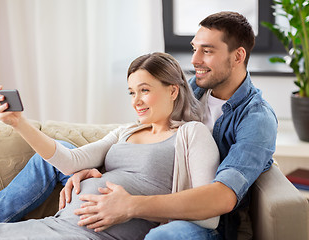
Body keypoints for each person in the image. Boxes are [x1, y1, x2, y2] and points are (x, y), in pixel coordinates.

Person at [0, 52, 220, 239]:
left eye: (145, 90)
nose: (136, 101)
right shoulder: (125, 131)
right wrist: (19, 123)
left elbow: (208, 212)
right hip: (56, 224)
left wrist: (132, 205)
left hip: (87, 234)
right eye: (131, 92)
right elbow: (69, 161)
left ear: (172, 90)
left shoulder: (191, 134)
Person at [67, 11, 278, 240]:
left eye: (206, 51)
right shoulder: (191, 89)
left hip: (204, 223)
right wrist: (100, 168)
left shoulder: (257, 119)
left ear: (238, 56)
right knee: (54, 155)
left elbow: (223, 197)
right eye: (194, 49)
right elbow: (145, 134)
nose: (195, 60)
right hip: (155, 193)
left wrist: (131, 205)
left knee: (162, 236)